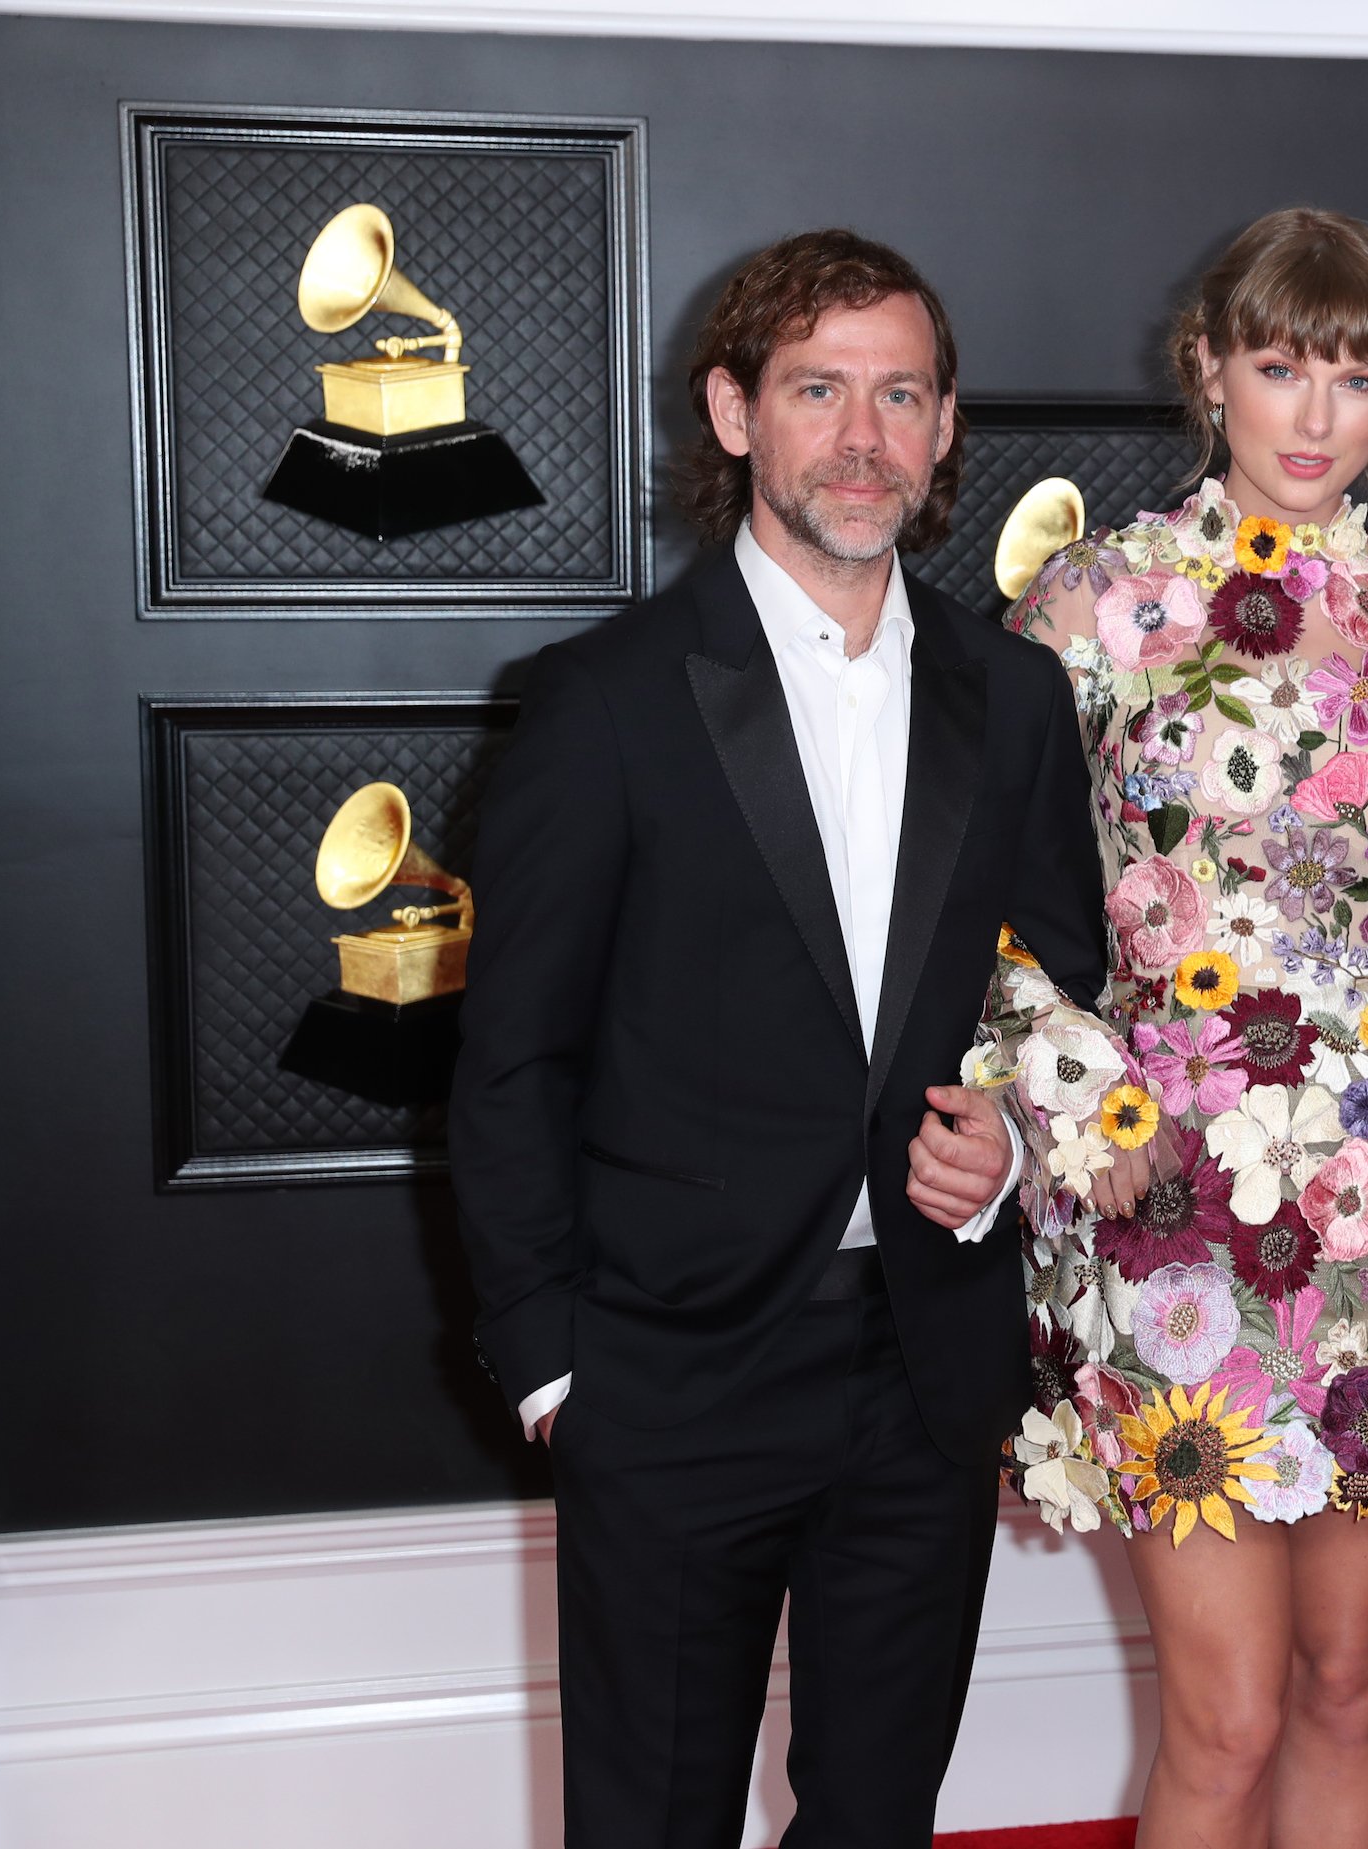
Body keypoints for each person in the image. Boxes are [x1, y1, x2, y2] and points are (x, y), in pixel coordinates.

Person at [449, 228, 1104, 1849]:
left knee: (878, 1820)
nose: (863, 436)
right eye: (819, 390)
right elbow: (510, 1059)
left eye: (900, 393)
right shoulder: (601, 703)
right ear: (737, 412)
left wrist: (1011, 1138)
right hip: (666, 1373)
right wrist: (552, 1370)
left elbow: (1064, 980)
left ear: (948, 428)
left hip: (925, 1364)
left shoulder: (1015, 699)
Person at [990, 207, 1368, 1849]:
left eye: (1358, 375)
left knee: (1342, 1685)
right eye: (1281, 365)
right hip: (1164, 1197)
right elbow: (997, 910)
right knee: (1224, 1713)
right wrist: (1069, 1077)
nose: (1316, 415)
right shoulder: (1095, 604)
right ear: (1210, 369)